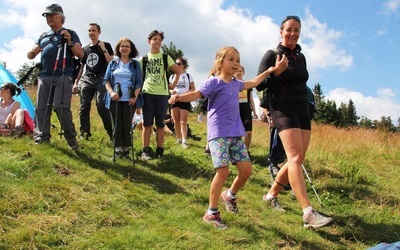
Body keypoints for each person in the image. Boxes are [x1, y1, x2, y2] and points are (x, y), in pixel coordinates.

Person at [169, 46, 276, 229]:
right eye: (231, 59)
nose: (236, 63)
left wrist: (268, 71)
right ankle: (211, 213)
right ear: (221, 62)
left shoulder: (237, 83)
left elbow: (253, 82)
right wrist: (179, 98)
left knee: (246, 170)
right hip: (218, 133)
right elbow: (195, 94)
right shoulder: (213, 82)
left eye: (237, 60)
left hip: (236, 133)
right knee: (223, 172)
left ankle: (230, 195)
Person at [256, 15, 333, 228]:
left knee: (296, 160)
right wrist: (275, 72)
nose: (293, 33)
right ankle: (308, 213)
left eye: (296, 30)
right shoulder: (272, 54)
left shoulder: (301, 57)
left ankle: (271, 194)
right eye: (289, 29)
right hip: (282, 109)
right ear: (281, 31)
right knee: (296, 157)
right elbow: (258, 84)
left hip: (302, 110)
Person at [27, 3, 83, 150]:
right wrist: (32, 52)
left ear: (61, 17)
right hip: (44, 75)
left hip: (64, 75)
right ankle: (41, 138)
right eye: (47, 16)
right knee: (41, 108)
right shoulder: (43, 36)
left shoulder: (70, 33)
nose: (49, 18)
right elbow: (30, 55)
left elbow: (81, 54)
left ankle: (71, 140)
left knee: (60, 107)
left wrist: (70, 42)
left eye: (52, 15)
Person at [139, 30, 180, 160]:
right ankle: (145, 149)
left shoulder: (165, 57)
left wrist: (173, 85)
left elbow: (177, 71)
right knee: (147, 123)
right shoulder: (144, 59)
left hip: (162, 94)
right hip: (147, 92)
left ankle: (160, 150)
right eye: (155, 39)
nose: (157, 41)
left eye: (160, 39)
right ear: (149, 41)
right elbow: (139, 77)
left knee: (161, 124)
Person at [104, 37, 143, 160]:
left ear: (131, 49)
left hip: (129, 100)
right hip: (114, 99)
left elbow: (138, 82)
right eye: (122, 46)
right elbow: (106, 80)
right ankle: (117, 150)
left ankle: (126, 151)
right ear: (118, 49)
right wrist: (111, 93)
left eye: (127, 46)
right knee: (116, 125)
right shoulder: (113, 63)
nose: (125, 48)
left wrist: (135, 97)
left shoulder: (135, 64)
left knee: (126, 125)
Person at [73, 23, 114, 141]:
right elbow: (81, 67)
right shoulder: (84, 49)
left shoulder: (105, 45)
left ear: (99, 32)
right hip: (87, 79)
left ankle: (112, 133)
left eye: (94, 30)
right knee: (84, 106)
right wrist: (76, 83)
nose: (91, 32)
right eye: (89, 30)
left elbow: (111, 61)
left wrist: (103, 49)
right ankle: (85, 134)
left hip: (102, 78)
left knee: (101, 106)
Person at [168, 57, 195, 149]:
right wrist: (173, 93)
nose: (176, 65)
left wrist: (184, 95)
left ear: (183, 65)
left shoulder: (188, 76)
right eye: (176, 63)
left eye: (179, 63)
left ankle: (184, 140)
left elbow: (193, 88)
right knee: (175, 120)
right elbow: (169, 89)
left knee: (183, 121)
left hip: (185, 99)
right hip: (174, 100)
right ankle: (178, 138)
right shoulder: (172, 76)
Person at [235, 65, 258, 156]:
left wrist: (255, 111)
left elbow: (251, 99)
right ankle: (236, 152)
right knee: (237, 133)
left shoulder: (247, 84)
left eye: (240, 71)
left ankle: (245, 151)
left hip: (246, 109)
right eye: (237, 70)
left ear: (243, 72)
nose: (238, 72)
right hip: (235, 110)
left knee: (248, 132)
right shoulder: (232, 83)